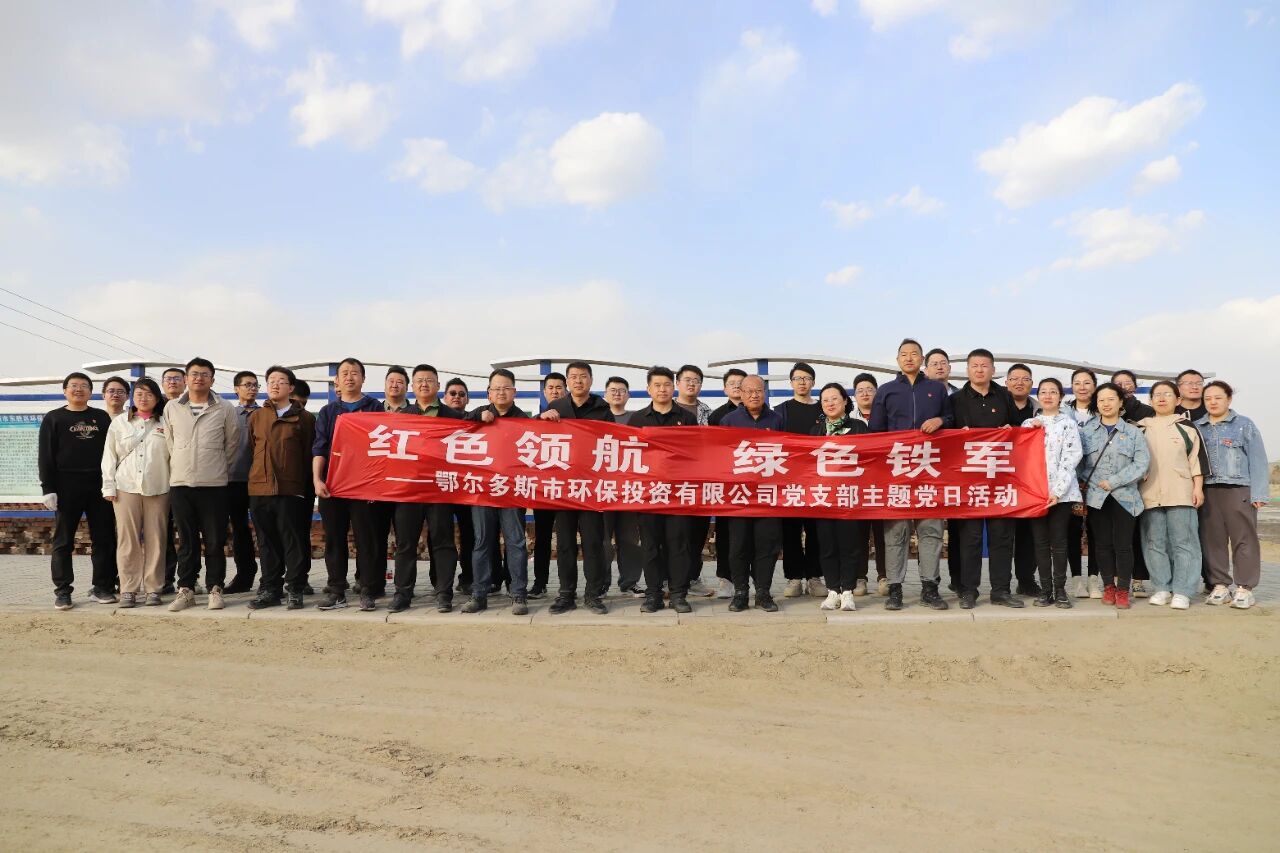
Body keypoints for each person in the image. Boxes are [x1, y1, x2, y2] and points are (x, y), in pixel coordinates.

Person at [869, 339, 953, 611]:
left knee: (931, 531)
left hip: (930, 471)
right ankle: (895, 589)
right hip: (897, 472)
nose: (909, 358)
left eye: (914, 354)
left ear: (922, 359)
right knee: (896, 532)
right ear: (897, 360)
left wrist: (940, 421)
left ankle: (930, 588)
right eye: (903, 354)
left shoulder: (936, 389)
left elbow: (951, 418)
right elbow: (875, 432)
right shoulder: (886, 391)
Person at [538, 361, 615, 614]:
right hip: (563, 488)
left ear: (591, 380)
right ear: (567, 382)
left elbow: (612, 444)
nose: (578, 381)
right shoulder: (556, 407)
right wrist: (541, 419)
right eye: (573, 377)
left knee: (593, 543)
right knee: (565, 544)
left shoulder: (603, 409)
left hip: (591, 489)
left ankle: (593, 594)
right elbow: (538, 438)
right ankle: (566, 594)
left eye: (583, 376)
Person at [950, 348, 1023, 609]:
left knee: (1001, 537)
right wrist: (957, 434)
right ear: (967, 370)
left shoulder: (1004, 396)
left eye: (984, 366)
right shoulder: (956, 400)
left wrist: (1011, 430)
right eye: (975, 366)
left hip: (1000, 478)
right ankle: (968, 590)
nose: (980, 370)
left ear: (993, 370)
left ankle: (1001, 590)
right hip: (968, 481)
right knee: (970, 538)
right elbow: (945, 438)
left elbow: (1018, 430)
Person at [165, 357, 240, 612]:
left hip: (214, 485)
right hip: (181, 483)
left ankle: (215, 588)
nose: (199, 378)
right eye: (194, 374)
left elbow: (231, 444)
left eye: (204, 374)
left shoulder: (224, 408)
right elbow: (170, 443)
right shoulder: (172, 407)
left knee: (215, 539)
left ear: (212, 379)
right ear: (186, 378)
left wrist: (214, 466)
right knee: (187, 541)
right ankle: (186, 589)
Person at [388, 364, 464, 614]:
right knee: (405, 543)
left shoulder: (452, 416)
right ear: (412, 386)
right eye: (419, 380)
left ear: (438, 386)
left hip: (440, 488)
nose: (424, 384)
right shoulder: (401, 417)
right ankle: (402, 593)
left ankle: (444, 593)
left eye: (429, 380)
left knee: (443, 542)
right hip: (409, 490)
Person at [312, 357, 384, 612]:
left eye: (355, 373)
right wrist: (317, 479)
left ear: (363, 379)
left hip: (364, 485)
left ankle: (367, 589)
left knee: (367, 539)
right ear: (337, 380)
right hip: (334, 484)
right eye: (344, 373)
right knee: (334, 538)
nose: (350, 377)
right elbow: (319, 447)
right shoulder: (328, 412)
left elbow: (382, 449)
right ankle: (336, 589)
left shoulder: (375, 408)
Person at [40, 372, 116, 609]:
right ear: (65, 391)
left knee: (104, 538)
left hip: (98, 485)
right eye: (74, 385)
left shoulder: (101, 417)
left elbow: (112, 452)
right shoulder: (54, 418)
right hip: (66, 486)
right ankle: (63, 591)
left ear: (91, 392)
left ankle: (102, 587)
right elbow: (45, 456)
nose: (79, 389)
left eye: (84, 386)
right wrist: (48, 488)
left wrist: (111, 483)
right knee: (63, 541)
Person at [245, 366, 317, 610]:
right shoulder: (257, 417)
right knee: (267, 542)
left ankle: (295, 588)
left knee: (293, 540)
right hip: (260, 488)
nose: (275, 385)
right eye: (271, 381)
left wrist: (305, 489)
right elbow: (253, 448)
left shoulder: (305, 418)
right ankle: (270, 588)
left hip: (291, 489)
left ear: (291, 387)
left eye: (281, 381)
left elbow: (308, 454)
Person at [629, 366, 698, 613]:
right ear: (648, 389)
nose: (662, 389)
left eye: (667, 384)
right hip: (648, 494)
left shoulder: (687, 418)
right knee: (650, 546)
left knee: (678, 545)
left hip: (678, 494)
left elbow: (695, 453)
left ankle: (678, 594)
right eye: (657, 385)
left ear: (674, 387)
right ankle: (654, 594)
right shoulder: (637, 419)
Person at [1195, 381, 1269, 609]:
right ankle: (1219, 585)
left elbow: (1258, 459)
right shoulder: (1197, 427)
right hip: (1208, 490)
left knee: (1243, 539)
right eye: (1208, 399)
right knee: (1212, 540)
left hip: (1239, 489)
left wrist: (1259, 493)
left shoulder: (1244, 425)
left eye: (1218, 397)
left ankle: (1244, 588)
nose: (1213, 402)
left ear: (1229, 399)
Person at [462, 369, 530, 615]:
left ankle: (519, 594)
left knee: (516, 543)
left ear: (514, 392)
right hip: (483, 491)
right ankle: (479, 594)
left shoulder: (524, 420)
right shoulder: (478, 414)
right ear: (489, 392)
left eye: (506, 388)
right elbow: (456, 429)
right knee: (481, 543)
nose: (501, 392)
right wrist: (477, 417)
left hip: (512, 491)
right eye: (496, 388)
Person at [1077, 383, 1150, 609]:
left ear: (1120, 402)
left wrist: (1114, 481)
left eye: (1110, 399)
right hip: (1096, 497)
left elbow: (1141, 463)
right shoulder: (1087, 432)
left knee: (1123, 545)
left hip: (1125, 497)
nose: (1106, 404)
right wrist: (1090, 482)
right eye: (1101, 400)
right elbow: (1079, 464)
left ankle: (1123, 590)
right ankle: (1108, 586)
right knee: (1102, 545)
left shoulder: (1133, 432)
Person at [101, 377, 170, 608]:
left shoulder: (166, 422)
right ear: (132, 397)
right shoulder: (120, 423)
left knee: (156, 539)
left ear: (157, 398)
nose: (143, 398)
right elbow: (109, 456)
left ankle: (153, 589)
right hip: (126, 487)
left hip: (159, 487)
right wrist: (108, 486)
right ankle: (128, 589)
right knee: (127, 540)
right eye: (139, 393)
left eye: (149, 394)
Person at [1137, 380, 1204, 611]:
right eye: (1157, 394)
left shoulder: (1187, 427)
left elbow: (1196, 460)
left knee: (1184, 543)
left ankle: (1183, 591)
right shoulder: (1140, 428)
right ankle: (1161, 588)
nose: (1161, 398)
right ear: (1150, 400)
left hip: (1181, 492)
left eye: (1167, 394)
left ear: (1178, 399)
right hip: (1149, 494)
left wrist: (1197, 488)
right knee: (1154, 542)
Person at [722, 375, 785, 612]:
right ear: (741, 393)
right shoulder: (729, 421)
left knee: (767, 545)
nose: (754, 395)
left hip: (768, 495)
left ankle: (763, 592)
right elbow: (721, 456)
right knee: (739, 546)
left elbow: (787, 453)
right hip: (739, 495)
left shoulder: (777, 419)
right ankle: (740, 592)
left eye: (758, 390)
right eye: (748, 391)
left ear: (764, 392)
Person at [1022, 378, 1082, 608]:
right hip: (1036, 493)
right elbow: (1021, 455)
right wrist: (1029, 429)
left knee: (1059, 542)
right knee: (1040, 542)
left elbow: (1071, 457)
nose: (1048, 396)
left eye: (1053, 392)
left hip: (1061, 494)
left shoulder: (1068, 424)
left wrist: (1057, 491)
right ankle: (1045, 590)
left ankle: (1060, 589)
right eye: (1043, 392)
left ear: (1060, 397)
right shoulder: (1029, 423)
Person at [811, 383, 867, 611]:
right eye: (825, 400)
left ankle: (847, 591)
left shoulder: (859, 427)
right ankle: (832, 590)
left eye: (835, 398)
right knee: (827, 546)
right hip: (823, 497)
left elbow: (870, 458)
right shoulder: (815, 431)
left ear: (845, 401)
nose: (830, 403)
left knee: (849, 546)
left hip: (849, 497)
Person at [775, 362, 824, 598]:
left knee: (816, 531)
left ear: (813, 382)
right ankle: (794, 577)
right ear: (791, 382)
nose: (802, 382)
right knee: (791, 530)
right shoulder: (780, 410)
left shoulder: (823, 409)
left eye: (806, 378)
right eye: (797, 378)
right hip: (790, 480)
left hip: (818, 479)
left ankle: (815, 577)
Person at [1111, 369, 1154, 596]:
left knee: (1137, 532)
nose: (1123, 386)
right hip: (1112, 482)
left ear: (1135, 386)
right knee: (1115, 534)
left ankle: (1138, 579)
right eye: (1118, 383)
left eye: (1127, 383)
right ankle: (1115, 578)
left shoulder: (1147, 411)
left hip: (1140, 478)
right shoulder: (1106, 410)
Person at [676, 365, 716, 597]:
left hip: (701, 481)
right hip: (672, 483)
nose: (692, 384)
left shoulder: (708, 412)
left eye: (696, 380)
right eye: (687, 380)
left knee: (697, 532)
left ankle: (692, 578)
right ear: (678, 383)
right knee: (672, 533)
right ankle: (668, 580)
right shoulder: (666, 410)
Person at [223, 370, 262, 594]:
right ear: (236, 389)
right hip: (233, 479)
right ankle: (244, 576)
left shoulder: (265, 414)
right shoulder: (228, 414)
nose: (252, 388)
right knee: (239, 530)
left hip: (260, 481)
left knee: (265, 530)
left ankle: (272, 578)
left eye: (255, 385)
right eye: (247, 385)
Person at [1003, 363, 1040, 596]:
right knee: (1004, 534)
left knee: (1029, 534)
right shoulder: (996, 406)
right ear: (1006, 382)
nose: (1019, 383)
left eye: (1025, 379)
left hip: (1031, 480)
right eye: (1014, 378)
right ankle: (1001, 584)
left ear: (1031, 384)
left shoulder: (1041, 410)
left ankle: (1026, 580)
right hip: (1001, 479)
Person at [529, 372, 567, 598]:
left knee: (566, 540)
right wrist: (540, 419)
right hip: (543, 489)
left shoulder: (574, 419)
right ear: (544, 392)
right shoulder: (536, 419)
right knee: (542, 538)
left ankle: (566, 586)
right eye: (550, 387)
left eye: (559, 387)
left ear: (566, 390)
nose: (555, 391)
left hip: (570, 490)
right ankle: (540, 583)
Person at [849, 372, 886, 596]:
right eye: (860, 390)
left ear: (877, 393)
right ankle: (859, 577)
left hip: (883, 483)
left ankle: (884, 576)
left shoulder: (887, 417)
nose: (865, 394)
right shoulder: (848, 420)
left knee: (883, 532)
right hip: (856, 485)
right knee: (858, 534)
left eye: (869, 389)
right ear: (854, 395)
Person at [441, 378, 477, 595]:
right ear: (445, 397)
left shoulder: (475, 421)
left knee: (469, 535)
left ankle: (468, 578)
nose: (457, 397)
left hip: (466, 487)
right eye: (452, 393)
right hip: (441, 485)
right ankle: (439, 581)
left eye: (462, 394)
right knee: (441, 535)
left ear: (467, 399)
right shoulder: (436, 421)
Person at [1067, 368, 1100, 598]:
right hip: (1071, 481)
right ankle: (1077, 581)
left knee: (1096, 531)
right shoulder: (1063, 412)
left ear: (1094, 386)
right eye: (1077, 382)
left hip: (1097, 482)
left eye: (1087, 382)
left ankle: (1094, 580)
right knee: (1072, 531)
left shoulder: (1103, 410)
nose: (1082, 387)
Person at [287, 378, 316, 596]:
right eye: (296, 402)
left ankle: (300, 578)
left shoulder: (308, 420)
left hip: (304, 485)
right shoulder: (265, 416)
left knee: (301, 534)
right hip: (278, 486)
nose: (300, 407)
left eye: (304, 403)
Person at [160, 366, 186, 593]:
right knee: (162, 531)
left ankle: (188, 579)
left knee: (187, 530)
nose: (172, 382)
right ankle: (165, 578)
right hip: (159, 479)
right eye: (168, 379)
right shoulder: (154, 408)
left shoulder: (191, 406)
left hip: (185, 478)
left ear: (185, 382)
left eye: (177, 378)